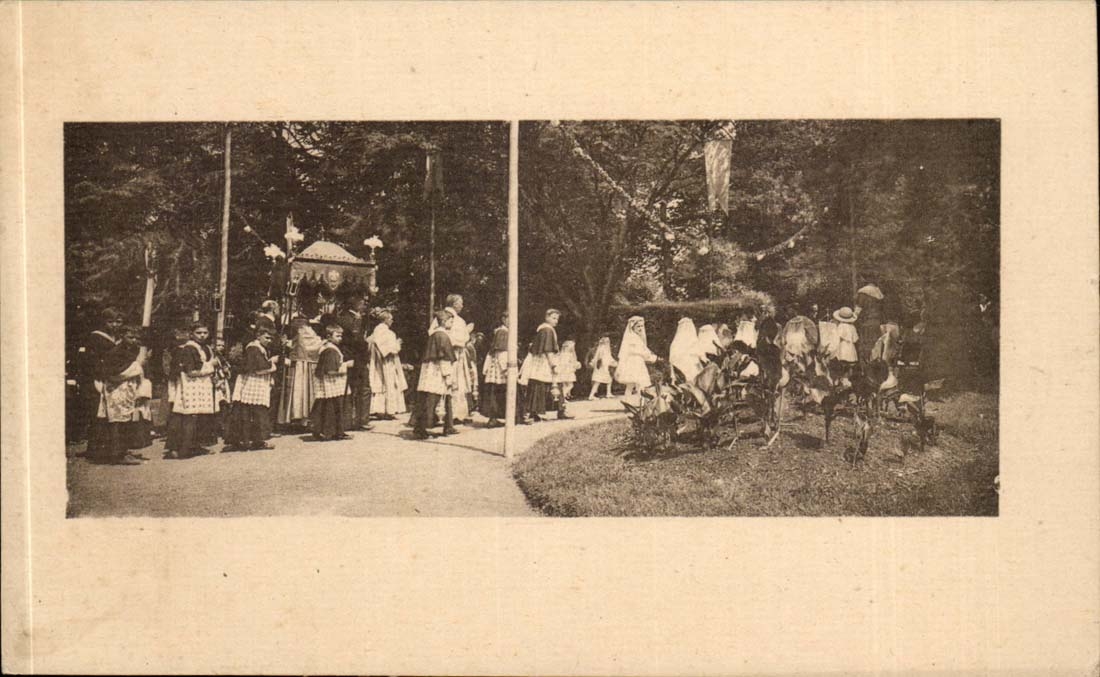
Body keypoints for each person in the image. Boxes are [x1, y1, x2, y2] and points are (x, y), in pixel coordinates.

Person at [87, 325, 151, 465]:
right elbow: (113, 372)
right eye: (130, 337)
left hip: (126, 390)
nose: (134, 340)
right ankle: (118, 454)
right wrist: (137, 365)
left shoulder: (129, 350)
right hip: (116, 390)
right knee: (117, 421)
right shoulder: (116, 352)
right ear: (122, 337)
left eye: (136, 338)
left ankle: (123, 450)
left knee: (125, 420)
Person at [165, 321, 219, 459]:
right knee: (188, 417)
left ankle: (195, 446)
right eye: (198, 333)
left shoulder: (206, 348)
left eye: (205, 333)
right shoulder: (189, 348)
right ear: (191, 334)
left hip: (203, 385)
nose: (202, 335)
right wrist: (211, 366)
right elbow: (191, 371)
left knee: (200, 417)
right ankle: (181, 449)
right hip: (190, 386)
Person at [224, 328, 279, 451]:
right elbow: (259, 368)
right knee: (251, 411)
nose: (269, 341)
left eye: (271, 338)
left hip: (257, 382)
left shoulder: (260, 348)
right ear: (258, 336)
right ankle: (247, 441)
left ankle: (252, 440)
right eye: (266, 338)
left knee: (253, 411)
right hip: (252, 382)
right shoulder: (253, 348)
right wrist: (273, 363)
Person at [75, 307, 123, 448]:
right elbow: (91, 361)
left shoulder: (120, 338)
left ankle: (113, 447)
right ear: (104, 322)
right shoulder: (96, 338)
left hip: (115, 378)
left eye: (118, 321)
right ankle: (97, 448)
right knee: (99, 413)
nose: (114, 325)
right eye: (110, 322)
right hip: (99, 379)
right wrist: (103, 374)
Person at [428, 294, 474, 424]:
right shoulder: (457, 320)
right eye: (460, 303)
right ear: (454, 304)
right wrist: (465, 333)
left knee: (448, 385)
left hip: (447, 355)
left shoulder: (440, 318)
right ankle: (452, 416)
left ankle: (445, 415)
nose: (462, 306)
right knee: (453, 384)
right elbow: (462, 338)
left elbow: (431, 333)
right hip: (452, 356)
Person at [279, 296, 323, 428]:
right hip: (302, 363)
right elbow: (312, 345)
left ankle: (298, 416)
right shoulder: (304, 328)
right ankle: (301, 417)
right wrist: (324, 342)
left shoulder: (301, 327)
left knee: (297, 389)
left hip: (299, 361)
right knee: (302, 389)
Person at [413, 310, 458, 439]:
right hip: (438, 372)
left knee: (427, 399)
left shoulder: (434, 335)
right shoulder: (443, 336)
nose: (452, 323)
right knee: (434, 399)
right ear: (443, 321)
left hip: (429, 371)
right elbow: (444, 357)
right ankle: (425, 428)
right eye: (450, 321)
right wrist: (448, 375)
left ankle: (445, 426)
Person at [310, 324, 353, 441]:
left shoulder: (327, 347)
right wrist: (346, 366)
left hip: (330, 384)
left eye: (341, 336)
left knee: (330, 407)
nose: (340, 338)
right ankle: (330, 432)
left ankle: (332, 431)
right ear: (329, 336)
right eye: (337, 336)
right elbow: (330, 370)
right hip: (332, 384)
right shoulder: (330, 350)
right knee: (332, 408)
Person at [336, 293, 372, 431]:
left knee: (354, 389)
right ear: (356, 303)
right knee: (360, 389)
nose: (365, 304)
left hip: (353, 358)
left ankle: (352, 421)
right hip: (354, 358)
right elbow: (356, 339)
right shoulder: (350, 319)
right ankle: (358, 421)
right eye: (363, 302)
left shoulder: (348, 318)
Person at [524, 309, 566, 421]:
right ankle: (561, 410)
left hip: (538, 361)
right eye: (553, 318)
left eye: (557, 319)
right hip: (545, 361)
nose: (556, 321)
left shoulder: (541, 329)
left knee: (538, 385)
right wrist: (553, 365)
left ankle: (534, 412)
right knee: (554, 384)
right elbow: (548, 350)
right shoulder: (547, 330)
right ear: (546, 317)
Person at [367, 309, 408, 419]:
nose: (392, 321)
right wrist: (398, 344)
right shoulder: (388, 333)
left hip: (377, 362)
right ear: (385, 320)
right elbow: (390, 349)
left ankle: (380, 409)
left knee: (380, 383)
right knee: (389, 383)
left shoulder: (375, 331)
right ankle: (389, 410)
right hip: (387, 362)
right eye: (390, 319)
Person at [616, 316, 658, 402]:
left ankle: (641, 401)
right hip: (633, 361)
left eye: (642, 326)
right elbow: (632, 350)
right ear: (633, 327)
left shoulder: (638, 337)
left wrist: (650, 356)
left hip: (639, 361)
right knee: (633, 383)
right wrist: (646, 355)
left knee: (638, 383)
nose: (640, 328)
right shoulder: (631, 337)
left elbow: (644, 349)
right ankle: (630, 401)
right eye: (638, 326)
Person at [481, 313, 509, 427]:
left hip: (498, 366)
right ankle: (493, 419)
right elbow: (501, 352)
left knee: (496, 392)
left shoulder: (502, 331)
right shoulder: (502, 332)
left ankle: (495, 418)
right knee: (497, 393)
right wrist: (505, 369)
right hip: (500, 368)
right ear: (503, 319)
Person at [854, 281, 885, 364]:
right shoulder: (879, 293)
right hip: (877, 321)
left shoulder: (863, 292)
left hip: (866, 321)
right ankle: (875, 362)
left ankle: (866, 363)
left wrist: (853, 317)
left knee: (866, 343)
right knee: (875, 343)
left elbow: (858, 308)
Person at [669, 317, 704, 383]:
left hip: (680, 375)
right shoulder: (693, 342)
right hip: (690, 373)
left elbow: (672, 361)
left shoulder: (675, 343)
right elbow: (698, 358)